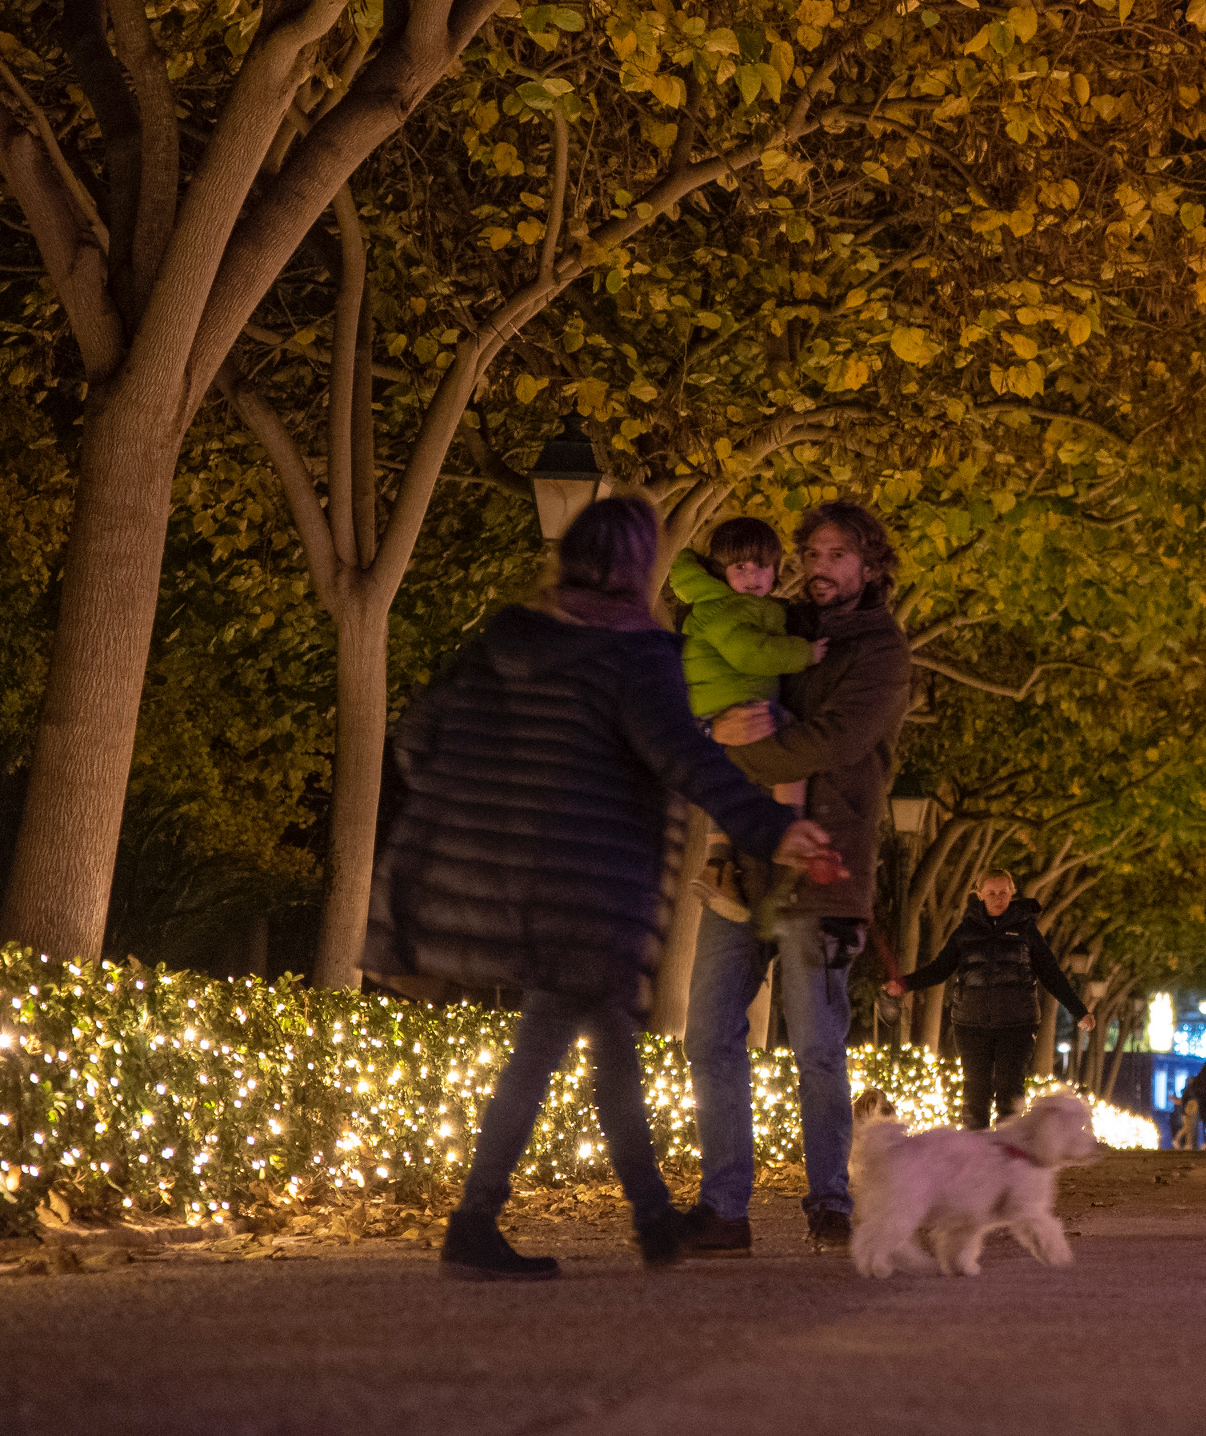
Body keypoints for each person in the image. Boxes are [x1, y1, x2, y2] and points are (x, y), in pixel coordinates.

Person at [367, 494, 837, 1281]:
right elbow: (687, 761)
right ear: (634, 568)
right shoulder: (638, 654)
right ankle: (485, 1219)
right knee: (554, 1049)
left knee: (588, 1044)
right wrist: (771, 827)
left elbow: (419, 737)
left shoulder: (506, 638)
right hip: (592, 883)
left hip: (514, 881)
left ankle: (647, 1220)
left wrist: (493, 807)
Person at [682, 501, 914, 1254]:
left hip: (824, 861)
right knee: (708, 1037)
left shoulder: (880, 650)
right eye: (811, 553)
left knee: (816, 1046)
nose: (819, 566)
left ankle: (829, 1203)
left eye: (838, 554)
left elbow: (832, 740)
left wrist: (725, 758)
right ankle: (724, 1208)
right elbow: (705, 681)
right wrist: (708, 732)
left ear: (870, 565)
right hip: (741, 865)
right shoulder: (769, 622)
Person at [886, 870, 1094, 1129]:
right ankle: (977, 1154)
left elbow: (1051, 974)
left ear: (1012, 892)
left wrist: (1079, 1010)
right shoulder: (965, 931)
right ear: (980, 895)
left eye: (1003, 893)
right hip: (970, 1023)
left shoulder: (1027, 930)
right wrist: (905, 984)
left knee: (1010, 1088)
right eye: (992, 893)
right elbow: (940, 969)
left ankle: (1008, 1153)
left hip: (1017, 1024)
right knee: (975, 1091)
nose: (998, 898)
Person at [668, 516, 827, 726]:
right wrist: (806, 653)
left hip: (735, 701)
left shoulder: (743, 604)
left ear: (775, 569)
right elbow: (751, 652)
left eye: (761, 566)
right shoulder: (724, 608)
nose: (752, 577)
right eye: (740, 567)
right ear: (720, 569)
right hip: (729, 708)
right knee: (801, 737)